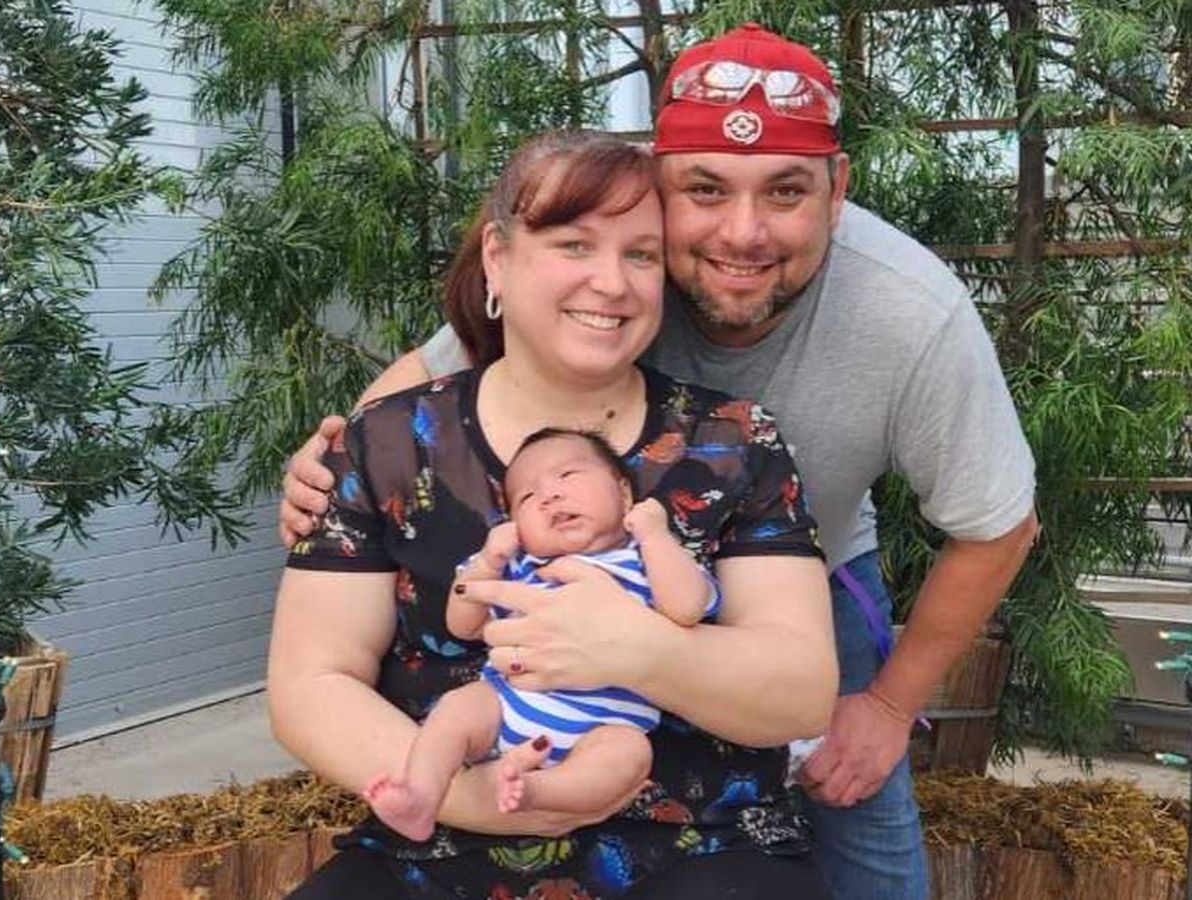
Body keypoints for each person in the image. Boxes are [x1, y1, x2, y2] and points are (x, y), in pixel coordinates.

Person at [280, 24, 1040, 900]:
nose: (743, 232)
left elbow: (996, 527)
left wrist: (887, 706)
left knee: (860, 816)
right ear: (660, 182)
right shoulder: (616, 251)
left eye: (786, 190)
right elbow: (447, 369)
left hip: (804, 562)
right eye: (706, 189)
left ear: (836, 192)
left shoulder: (906, 318)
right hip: (478, 771)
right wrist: (334, 465)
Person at [271, 130, 838, 899]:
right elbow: (311, 681)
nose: (612, 283)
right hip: (438, 842)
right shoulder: (387, 442)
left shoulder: (732, 443)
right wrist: (471, 799)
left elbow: (799, 689)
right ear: (498, 258)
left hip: (700, 846)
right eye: (574, 245)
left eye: (641, 255)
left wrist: (637, 650)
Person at [364, 427, 726, 842]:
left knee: (629, 755)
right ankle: (421, 795)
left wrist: (655, 535)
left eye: (568, 475)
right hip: (507, 706)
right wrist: (488, 561)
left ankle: (532, 790)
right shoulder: (520, 567)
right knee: (457, 708)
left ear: (624, 494)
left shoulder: (647, 561)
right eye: (527, 497)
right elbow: (462, 625)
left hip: (605, 725)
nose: (549, 496)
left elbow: (686, 607)